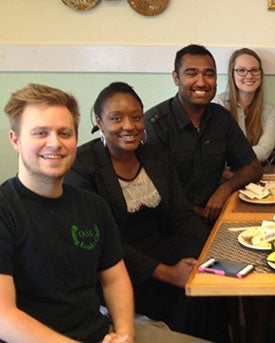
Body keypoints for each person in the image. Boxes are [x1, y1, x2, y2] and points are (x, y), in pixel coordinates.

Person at [64, 82, 229, 342]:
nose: (129, 126)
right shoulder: (82, 166)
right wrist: (168, 272)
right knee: (186, 297)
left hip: (163, 246)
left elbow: (181, 214)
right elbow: (106, 243)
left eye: (136, 117)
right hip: (117, 268)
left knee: (214, 280)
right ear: (99, 121)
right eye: (116, 118)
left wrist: (213, 251)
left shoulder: (154, 155)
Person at [0, 83, 135, 342]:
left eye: (64, 133)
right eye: (40, 133)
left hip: (100, 333)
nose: (55, 143)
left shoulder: (93, 206)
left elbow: (115, 280)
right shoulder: (6, 210)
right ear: (15, 140)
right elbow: (4, 317)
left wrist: (124, 333)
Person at [144, 44, 263, 224]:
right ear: (176, 78)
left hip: (213, 217)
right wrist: (201, 212)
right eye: (191, 74)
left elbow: (253, 168)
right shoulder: (155, 124)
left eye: (209, 74)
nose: (201, 82)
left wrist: (224, 190)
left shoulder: (221, 118)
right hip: (169, 224)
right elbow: (157, 194)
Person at [213, 48, 275, 164]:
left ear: (260, 74)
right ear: (232, 74)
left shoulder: (268, 110)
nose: (249, 75)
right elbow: (217, 152)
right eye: (241, 70)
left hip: (255, 173)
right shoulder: (218, 105)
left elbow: (265, 149)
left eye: (254, 70)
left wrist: (232, 157)